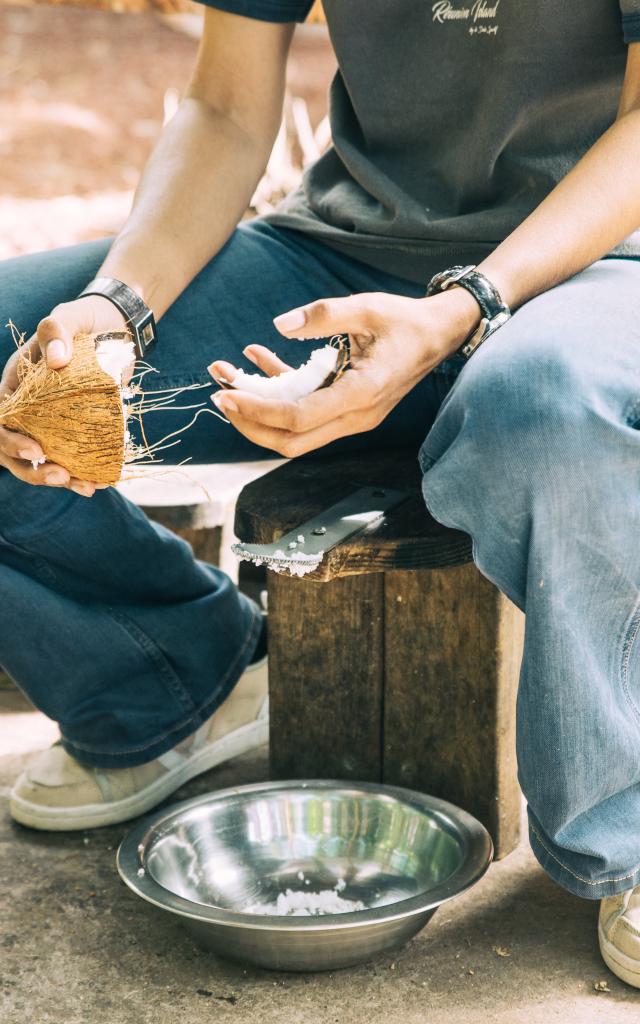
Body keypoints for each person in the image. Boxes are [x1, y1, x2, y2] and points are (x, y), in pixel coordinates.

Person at [2, 0, 640, 987]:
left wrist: (462, 309)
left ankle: (628, 830)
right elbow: (222, 106)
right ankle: (167, 685)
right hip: (340, 258)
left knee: (544, 405)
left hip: (603, 265)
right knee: (13, 354)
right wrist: (116, 304)